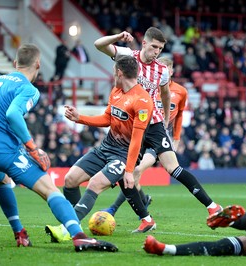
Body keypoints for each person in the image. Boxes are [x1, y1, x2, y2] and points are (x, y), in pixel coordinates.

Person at [0, 43, 117, 252]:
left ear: (15, 63)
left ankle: (20, 233)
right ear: (38, 64)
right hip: (3, 151)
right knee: (50, 190)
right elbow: (13, 114)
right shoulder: (28, 89)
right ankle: (79, 237)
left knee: (2, 180)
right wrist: (32, 148)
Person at [92, 26, 221, 217]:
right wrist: (119, 36)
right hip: (130, 126)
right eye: (154, 47)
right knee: (129, 173)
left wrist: (166, 121)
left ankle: (212, 207)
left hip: (153, 125)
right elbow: (98, 44)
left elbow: (165, 94)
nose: (156, 52)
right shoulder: (128, 56)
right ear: (144, 43)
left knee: (173, 168)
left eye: (160, 49)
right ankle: (145, 218)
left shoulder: (162, 70)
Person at [45, 55, 154, 242]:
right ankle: (146, 219)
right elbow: (106, 119)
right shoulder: (116, 92)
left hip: (124, 155)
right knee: (70, 179)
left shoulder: (143, 101)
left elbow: (136, 140)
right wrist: (80, 118)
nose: (113, 76)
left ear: (119, 72)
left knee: (95, 183)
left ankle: (67, 228)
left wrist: (129, 171)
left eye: (114, 73)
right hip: (105, 148)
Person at [102, 56, 188, 216]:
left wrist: (175, 138)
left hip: (157, 136)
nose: (165, 71)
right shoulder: (151, 90)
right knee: (134, 171)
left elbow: (180, 115)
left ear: (171, 71)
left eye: (168, 68)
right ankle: (143, 199)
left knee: (136, 170)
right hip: (144, 134)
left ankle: (114, 209)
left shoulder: (180, 92)